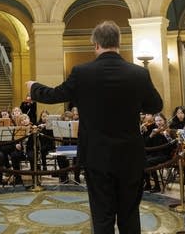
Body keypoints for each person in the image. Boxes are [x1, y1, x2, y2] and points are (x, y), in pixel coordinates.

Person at [26, 20, 163, 234]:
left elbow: (54, 95)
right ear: (118, 42)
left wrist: (34, 87)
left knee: (102, 215)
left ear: (96, 44)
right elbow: (156, 105)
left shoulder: (82, 72)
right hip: (130, 155)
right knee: (129, 214)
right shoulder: (139, 73)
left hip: (96, 155)